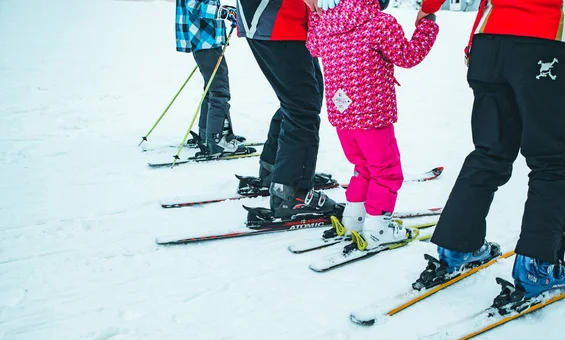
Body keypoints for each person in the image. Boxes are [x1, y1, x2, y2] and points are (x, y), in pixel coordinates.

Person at [412, 0, 565, 303]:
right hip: (545, 41)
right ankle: (538, 267)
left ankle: (457, 246)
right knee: (552, 162)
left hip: (490, 44)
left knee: (489, 152)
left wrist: (429, 5)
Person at [305, 0, 438, 248]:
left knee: (363, 166)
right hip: (372, 114)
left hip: (343, 113)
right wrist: (427, 26)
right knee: (386, 171)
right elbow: (408, 56)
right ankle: (378, 228)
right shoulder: (379, 23)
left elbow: (313, 47)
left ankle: (354, 221)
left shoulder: (327, 23)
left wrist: (315, 14)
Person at [235, 0, 338, 218]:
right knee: (302, 106)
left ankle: (276, 171)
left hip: (290, 22)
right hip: (273, 22)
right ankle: (292, 192)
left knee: (303, 100)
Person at [175, 0, 247, 156]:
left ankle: (208, 134)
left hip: (207, 39)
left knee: (212, 89)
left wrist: (226, 10)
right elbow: (193, 4)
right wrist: (223, 12)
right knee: (219, 90)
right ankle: (218, 141)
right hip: (203, 39)